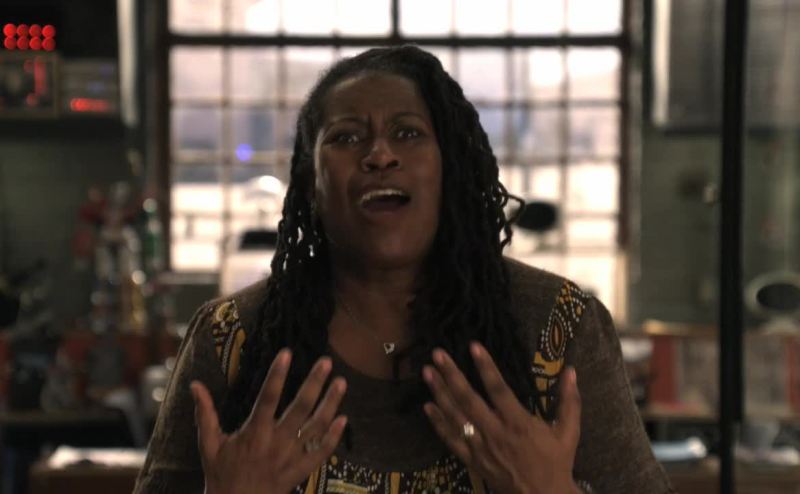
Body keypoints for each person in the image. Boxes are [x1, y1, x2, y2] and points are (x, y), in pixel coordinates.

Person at [134, 45, 674, 494]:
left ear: (450, 167)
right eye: (346, 137)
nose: (379, 155)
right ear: (309, 184)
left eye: (408, 133)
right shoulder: (232, 339)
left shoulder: (559, 327)